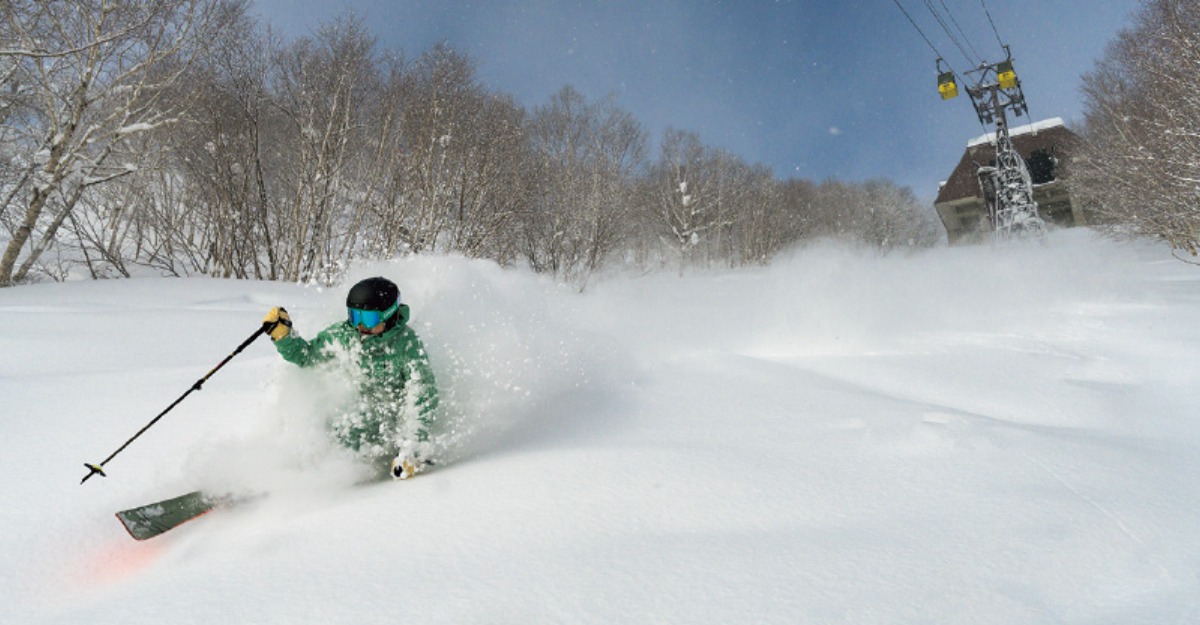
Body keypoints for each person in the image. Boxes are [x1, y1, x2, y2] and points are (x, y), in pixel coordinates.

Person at [262, 276, 439, 480]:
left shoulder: (407, 346)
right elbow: (307, 357)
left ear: (388, 315)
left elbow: (422, 397)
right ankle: (273, 478)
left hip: (387, 432)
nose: (360, 326)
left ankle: (304, 478)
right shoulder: (342, 335)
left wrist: (412, 450)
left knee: (335, 457)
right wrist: (283, 336)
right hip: (351, 423)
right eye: (355, 316)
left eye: (369, 318)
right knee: (314, 439)